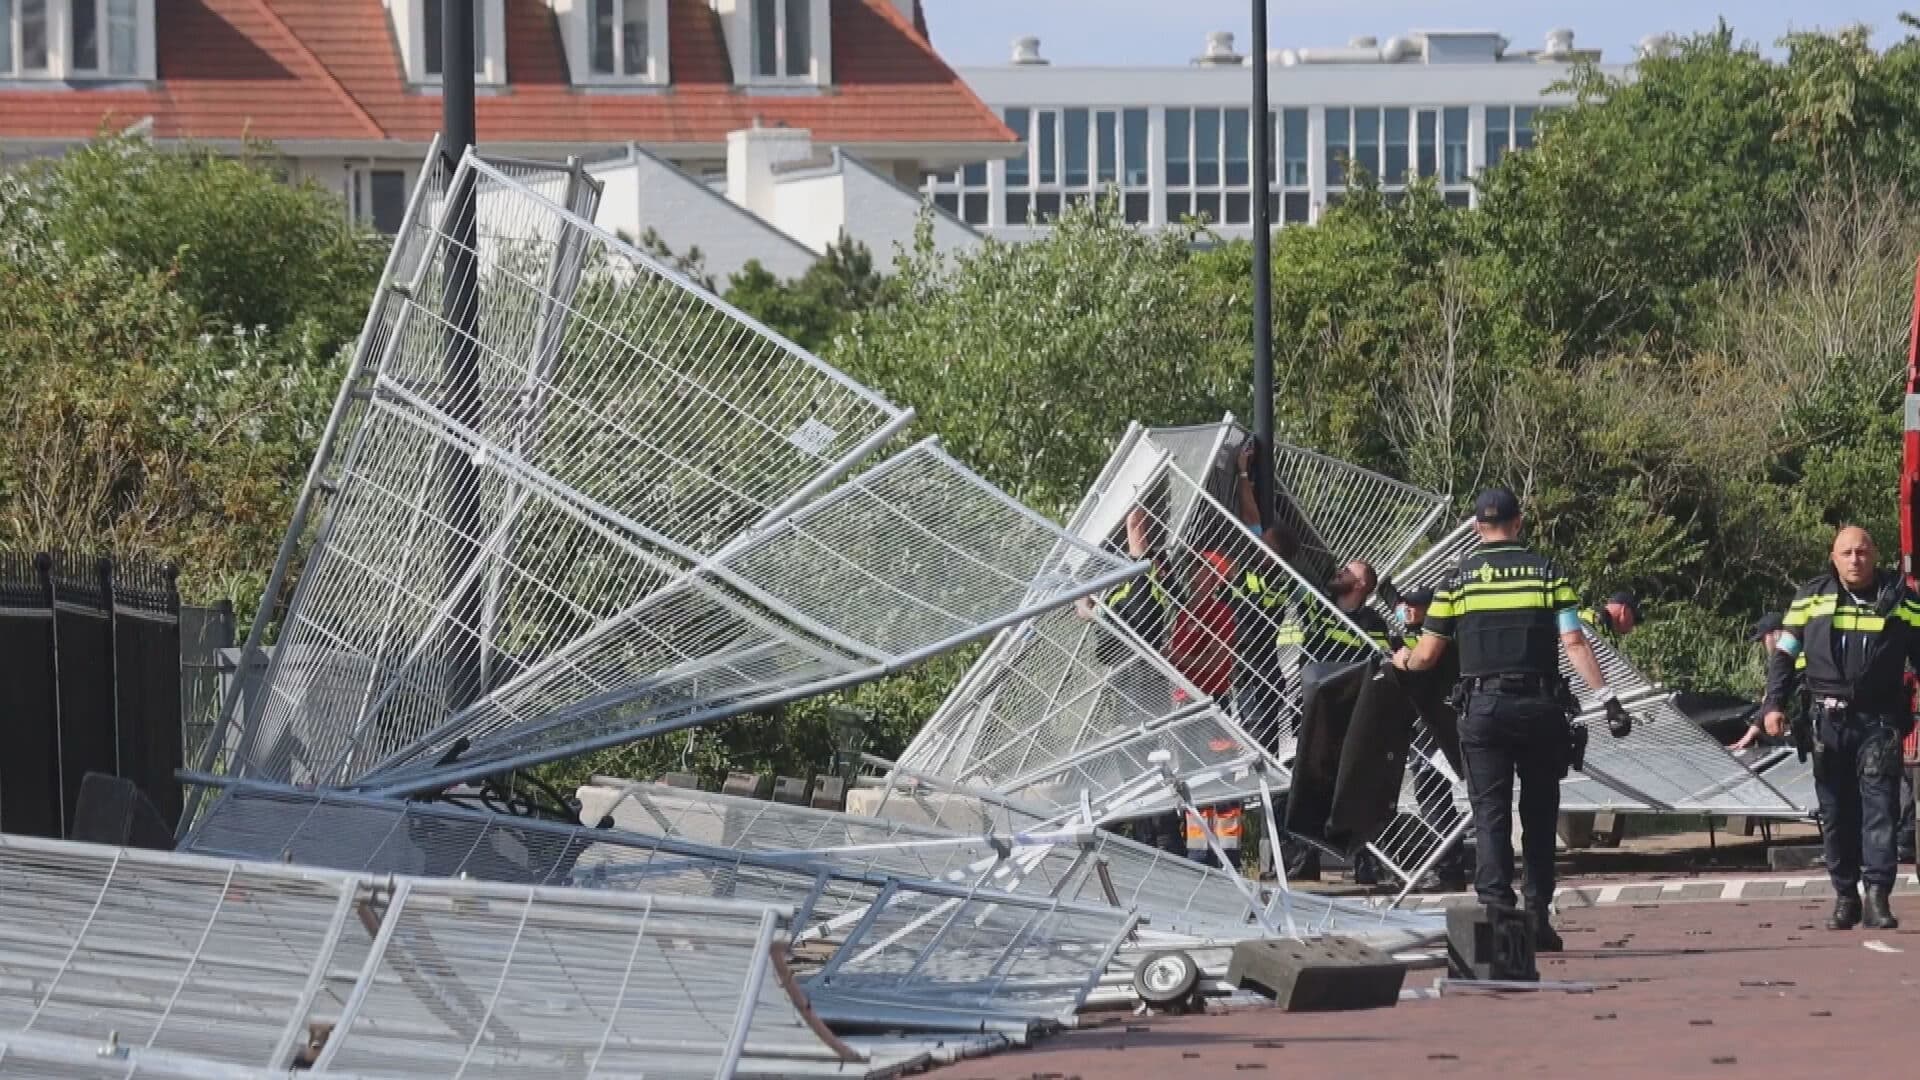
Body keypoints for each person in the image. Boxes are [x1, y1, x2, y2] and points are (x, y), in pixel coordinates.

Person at [1391, 488, 1629, 951]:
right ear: (1519, 524)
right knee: (1539, 815)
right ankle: (1538, 917)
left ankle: (1499, 920)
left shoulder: (1454, 580)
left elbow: (1428, 655)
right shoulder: (1547, 573)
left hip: (1483, 710)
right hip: (1541, 708)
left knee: (1490, 813)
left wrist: (1402, 661)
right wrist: (1608, 697)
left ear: (1478, 527)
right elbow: (1575, 644)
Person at [1760, 526, 1920, 931]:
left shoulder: (1902, 601)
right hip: (1826, 722)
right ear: (1833, 557)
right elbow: (1784, 655)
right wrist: (1773, 704)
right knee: (1836, 814)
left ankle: (1878, 898)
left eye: (1862, 552)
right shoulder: (1811, 597)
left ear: (1875, 555)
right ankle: (1845, 896)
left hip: (1878, 721)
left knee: (1881, 810)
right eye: (1846, 552)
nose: (1855, 559)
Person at [1730, 613, 1791, 752]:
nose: (1764, 645)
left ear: (1776, 634)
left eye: (1764, 639)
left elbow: (1771, 699)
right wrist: (1750, 735)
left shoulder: (1783, 661)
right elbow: (1768, 700)